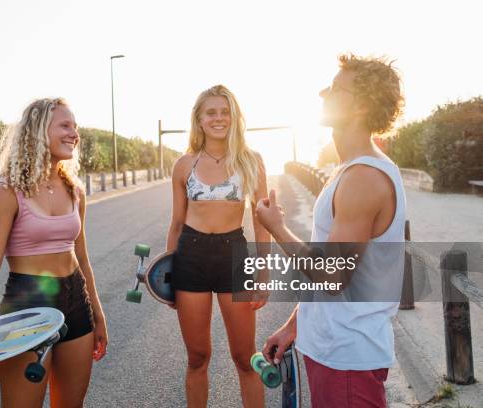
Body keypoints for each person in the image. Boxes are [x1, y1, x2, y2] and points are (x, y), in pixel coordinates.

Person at [256, 55, 406, 408]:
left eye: (336, 88)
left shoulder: (364, 178)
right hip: (331, 348)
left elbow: (333, 275)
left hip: (348, 357)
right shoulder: (348, 170)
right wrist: (295, 325)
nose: (324, 91)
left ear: (361, 106)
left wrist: (277, 228)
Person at [0, 98, 108, 408]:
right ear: (37, 131)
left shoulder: (74, 190)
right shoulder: (5, 193)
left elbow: (83, 259)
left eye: (75, 127)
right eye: (65, 125)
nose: (74, 134)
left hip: (76, 300)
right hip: (26, 304)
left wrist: (98, 315)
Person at [167, 84, 270, 407]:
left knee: (244, 357)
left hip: (233, 255)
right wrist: (166, 276)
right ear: (199, 120)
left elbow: (261, 220)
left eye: (225, 112)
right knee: (198, 357)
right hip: (190, 257)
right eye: (211, 112)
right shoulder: (184, 165)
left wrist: (263, 271)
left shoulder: (251, 161)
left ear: (235, 117)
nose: (218, 118)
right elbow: (177, 222)